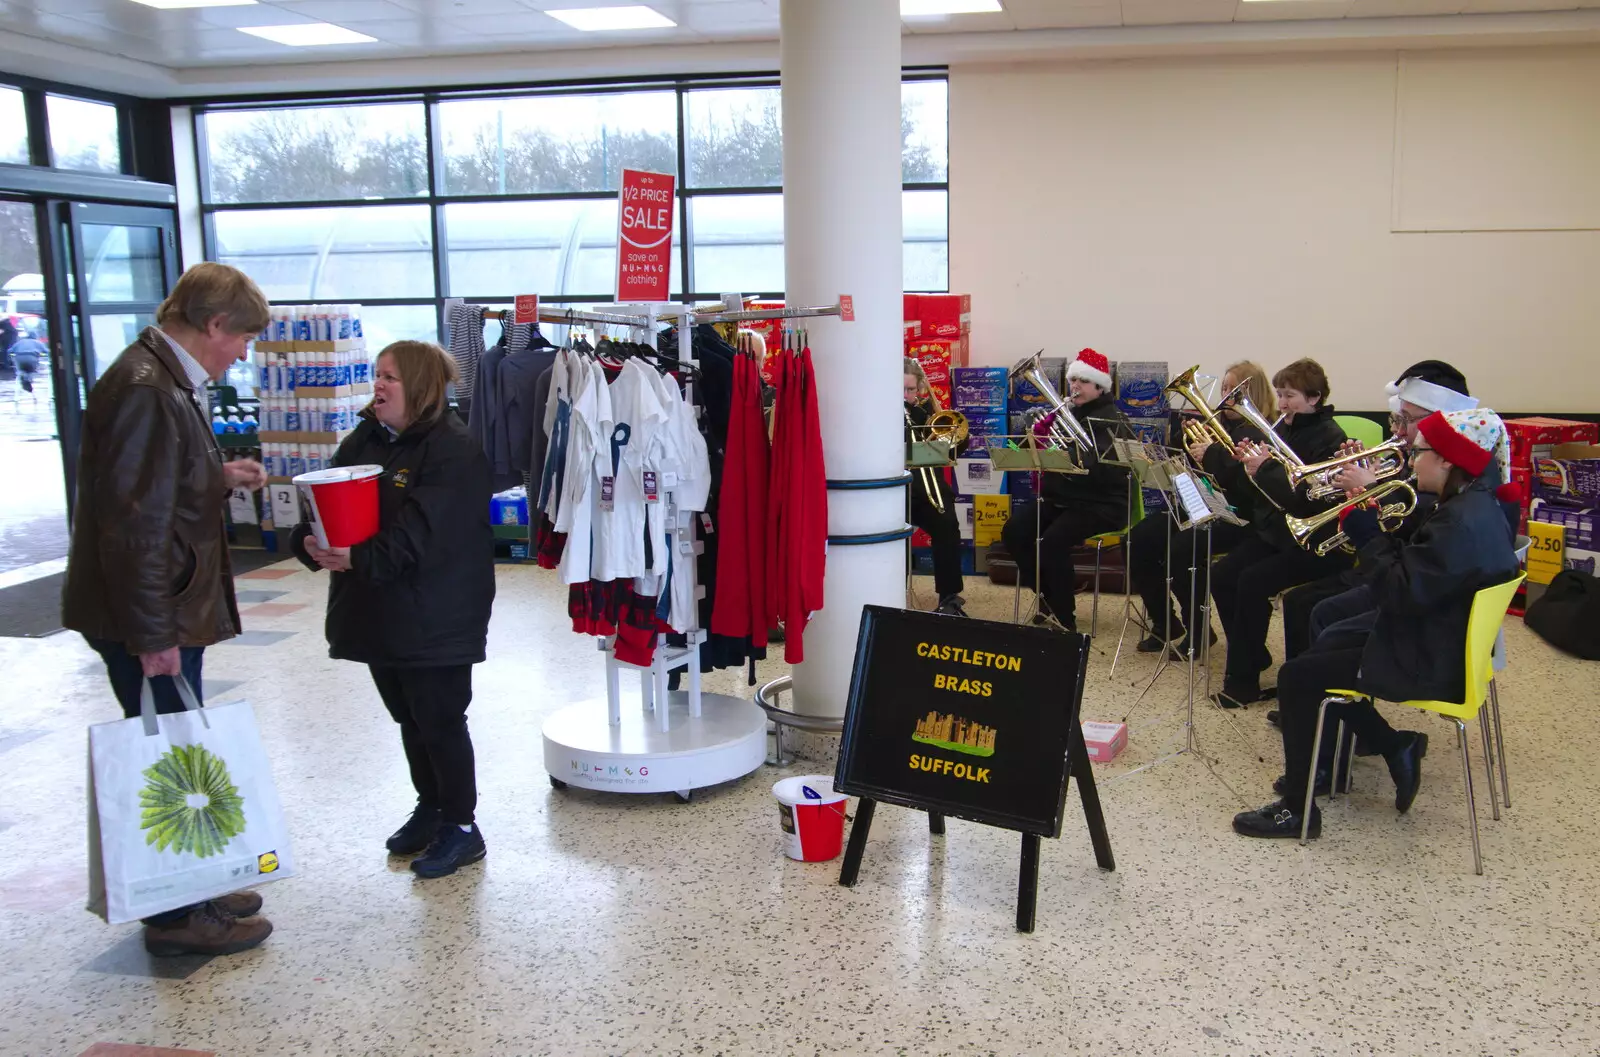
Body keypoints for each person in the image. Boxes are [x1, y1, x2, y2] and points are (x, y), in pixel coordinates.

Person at [61, 261, 273, 957]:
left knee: (181, 749)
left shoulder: (159, 379)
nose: (241, 352)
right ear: (214, 324)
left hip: (165, 606)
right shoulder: (148, 389)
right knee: (170, 761)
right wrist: (152, 635)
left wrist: (216, 474)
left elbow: (153, 482)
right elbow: (134, 528)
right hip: (152, 615)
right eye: (240, 338)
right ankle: (179, 912)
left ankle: (196, 884)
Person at [1233, 408, 1521, 839]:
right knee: (1327, 639)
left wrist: (1369, 534)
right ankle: (1388, 745)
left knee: (1296, 676)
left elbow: (1398, 592)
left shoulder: (1460, 521)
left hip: (1428, 659)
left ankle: (1297, 809)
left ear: (1447, 460)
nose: (1411, 458)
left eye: (1420, 451)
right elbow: (1422, 571)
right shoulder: (1474, 505)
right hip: (1439, 637)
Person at [293, 340, 496, 879]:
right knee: (408, 716)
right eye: (376, 375)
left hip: (438, 611)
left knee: (440, 718)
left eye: (390, 377)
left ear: (421, 386)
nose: (378, 386)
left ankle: (461, 827)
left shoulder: (453, 450)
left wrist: (355, 556)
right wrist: (308, 542)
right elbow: (324, 503)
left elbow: (424, 536)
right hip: (379, 607)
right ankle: (430, 808)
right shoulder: (366, 438)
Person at [1278, 361, 1479, 664]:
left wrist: (1371, 488)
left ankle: (1316, 687)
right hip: (1387, 564)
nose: (1396, 429)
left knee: (1313, 606)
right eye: (1396, 418)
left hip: (1405, 579)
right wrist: (1360, 479)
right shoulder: (1413, 458)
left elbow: (1409, 524)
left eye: (1406, 420)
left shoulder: (1446, 476)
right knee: (1300, 601)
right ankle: (1303, 688)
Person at [1207, 358, 1349, 707]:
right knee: (1222, 575)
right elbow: (1268, 492)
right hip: (1278, 531)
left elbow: (1306, 501)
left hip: (1314, 541)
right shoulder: (1283, 428)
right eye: (1281, 395)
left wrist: (1264, 470)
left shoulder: (1329, 437)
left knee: (1253, 581)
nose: (1283, 403)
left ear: (1314, 397)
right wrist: (1249, 468)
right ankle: (1253, 656)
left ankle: (1243, 684)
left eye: (1291, 396)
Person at [1128, 361, 1275, 656]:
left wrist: (1212, 456)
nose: (1224, 395)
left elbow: (1245, 487)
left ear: (1252, 393)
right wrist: (1187, 453)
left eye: (1232, 389)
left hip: (1241, 515)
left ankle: (1197, 630)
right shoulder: (1220, 426)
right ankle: (1164, 622)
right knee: (1138, 538)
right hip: (1204, 504)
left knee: (1182, 549)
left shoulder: (1259, 432)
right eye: (1223, 387)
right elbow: (1200, 476)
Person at [999, 348, 1130, 633]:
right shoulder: (1070, 414)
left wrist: (1065, 456)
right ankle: (1049, 596)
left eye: (1083, 380)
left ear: (1100, 386)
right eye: (1073, 380)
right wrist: (1035, 439)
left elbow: (1106, 471)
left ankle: (1063, 616)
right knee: (1015, 530)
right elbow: (1042, 455)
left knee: (1052, 542)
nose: (1075, 387)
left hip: (1103, 504)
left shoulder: (1111, 421)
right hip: (1066, 499)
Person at [905, 358, 967, 616]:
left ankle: (949, 597)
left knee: (948, 526)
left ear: (919, 390)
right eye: (901, 390)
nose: (906, 395)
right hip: (899, 492)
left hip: (930, 492)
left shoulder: (926, 414)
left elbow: (954, 449)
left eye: (910, 390)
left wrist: (956, 436)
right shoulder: (882, 414)